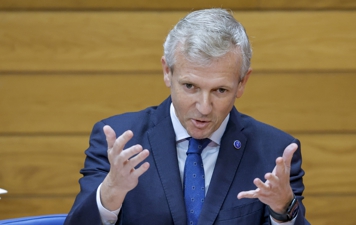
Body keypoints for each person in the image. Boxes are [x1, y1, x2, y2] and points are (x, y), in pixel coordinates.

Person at [64, 8, 310, 225]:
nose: (204, 107)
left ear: (242, 83)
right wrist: (110, 193)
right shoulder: (119, 142)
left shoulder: (274, 153)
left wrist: (283, 211)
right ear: (167, 72)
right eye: (190, 86)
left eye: (220, 90)